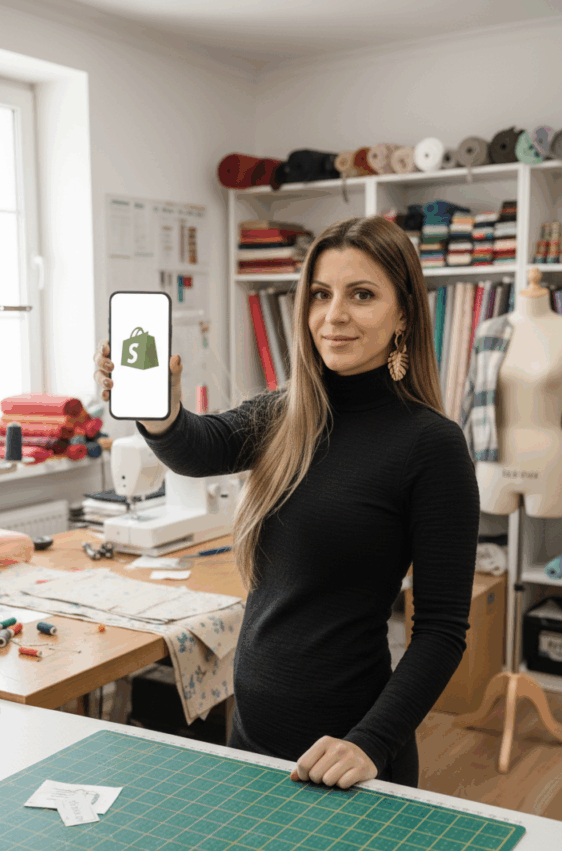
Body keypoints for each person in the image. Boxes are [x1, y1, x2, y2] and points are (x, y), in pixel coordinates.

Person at [94, 215, 480, 791]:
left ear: (404, 314)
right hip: (250, 739)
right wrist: (159, 408)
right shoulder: (286, 414)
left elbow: (442, 631)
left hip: (347, 758)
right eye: (320, 295)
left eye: (363, 295)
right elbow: (197, 448)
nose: (334, 316)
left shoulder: (431, 446)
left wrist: (371, 743)